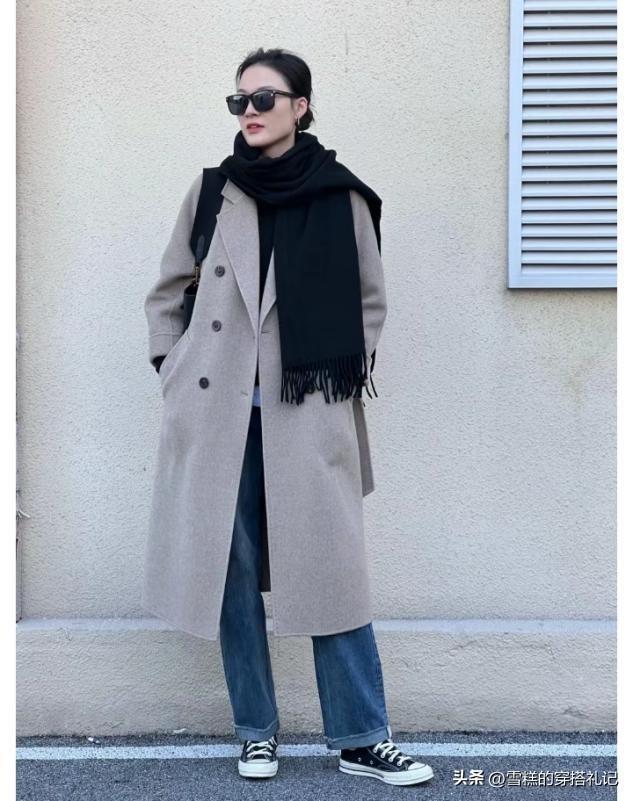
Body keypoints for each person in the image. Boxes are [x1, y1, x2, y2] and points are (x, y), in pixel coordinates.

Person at [143, 47, 434, 787]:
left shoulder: (341, 196)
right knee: (231, 570)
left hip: (305, 409)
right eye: (239, 100)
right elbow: (168, 290)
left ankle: (362, 737)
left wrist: (332, 376)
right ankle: (256, 732)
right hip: (217, 413)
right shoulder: (214, 190)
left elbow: (369, 301)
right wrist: (172, 369)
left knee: (332, 570)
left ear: (300, 106)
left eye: (264, 98)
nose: (249, 111)